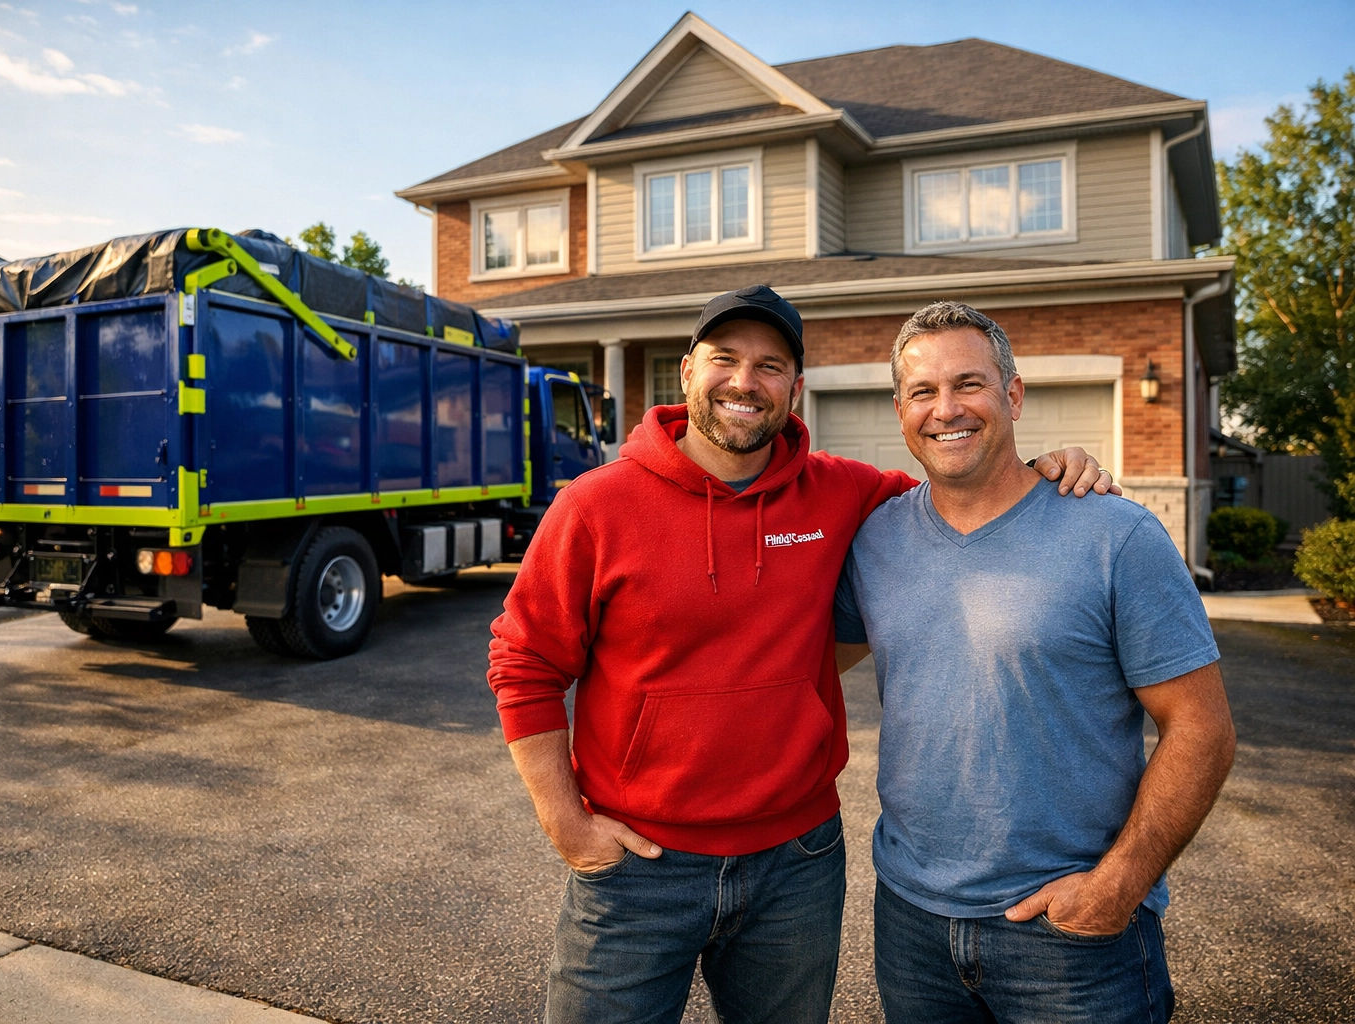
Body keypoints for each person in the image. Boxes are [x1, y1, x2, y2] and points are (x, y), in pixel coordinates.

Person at [488, 285, 1115, 1024]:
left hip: (797, 866)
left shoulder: (844, 493)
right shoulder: (594, 506)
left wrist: (1047, 467)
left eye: (770, 365)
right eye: (725, 360)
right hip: (637, 869)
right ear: (687, 371)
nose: (745, 383)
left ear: (795, 387)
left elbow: (964, 485)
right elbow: (525, 663)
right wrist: (567, 824)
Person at [834, 301, 1236, 1024]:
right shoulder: (876, 542)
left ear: (1013, 394)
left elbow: (1201, 729)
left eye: (970, 384)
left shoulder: (1114, 534)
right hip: (912, 925)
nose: (945, 409)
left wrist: (1118, 887)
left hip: (1071, 939)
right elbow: (786, 659)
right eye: (923, 392)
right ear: (900, 410)